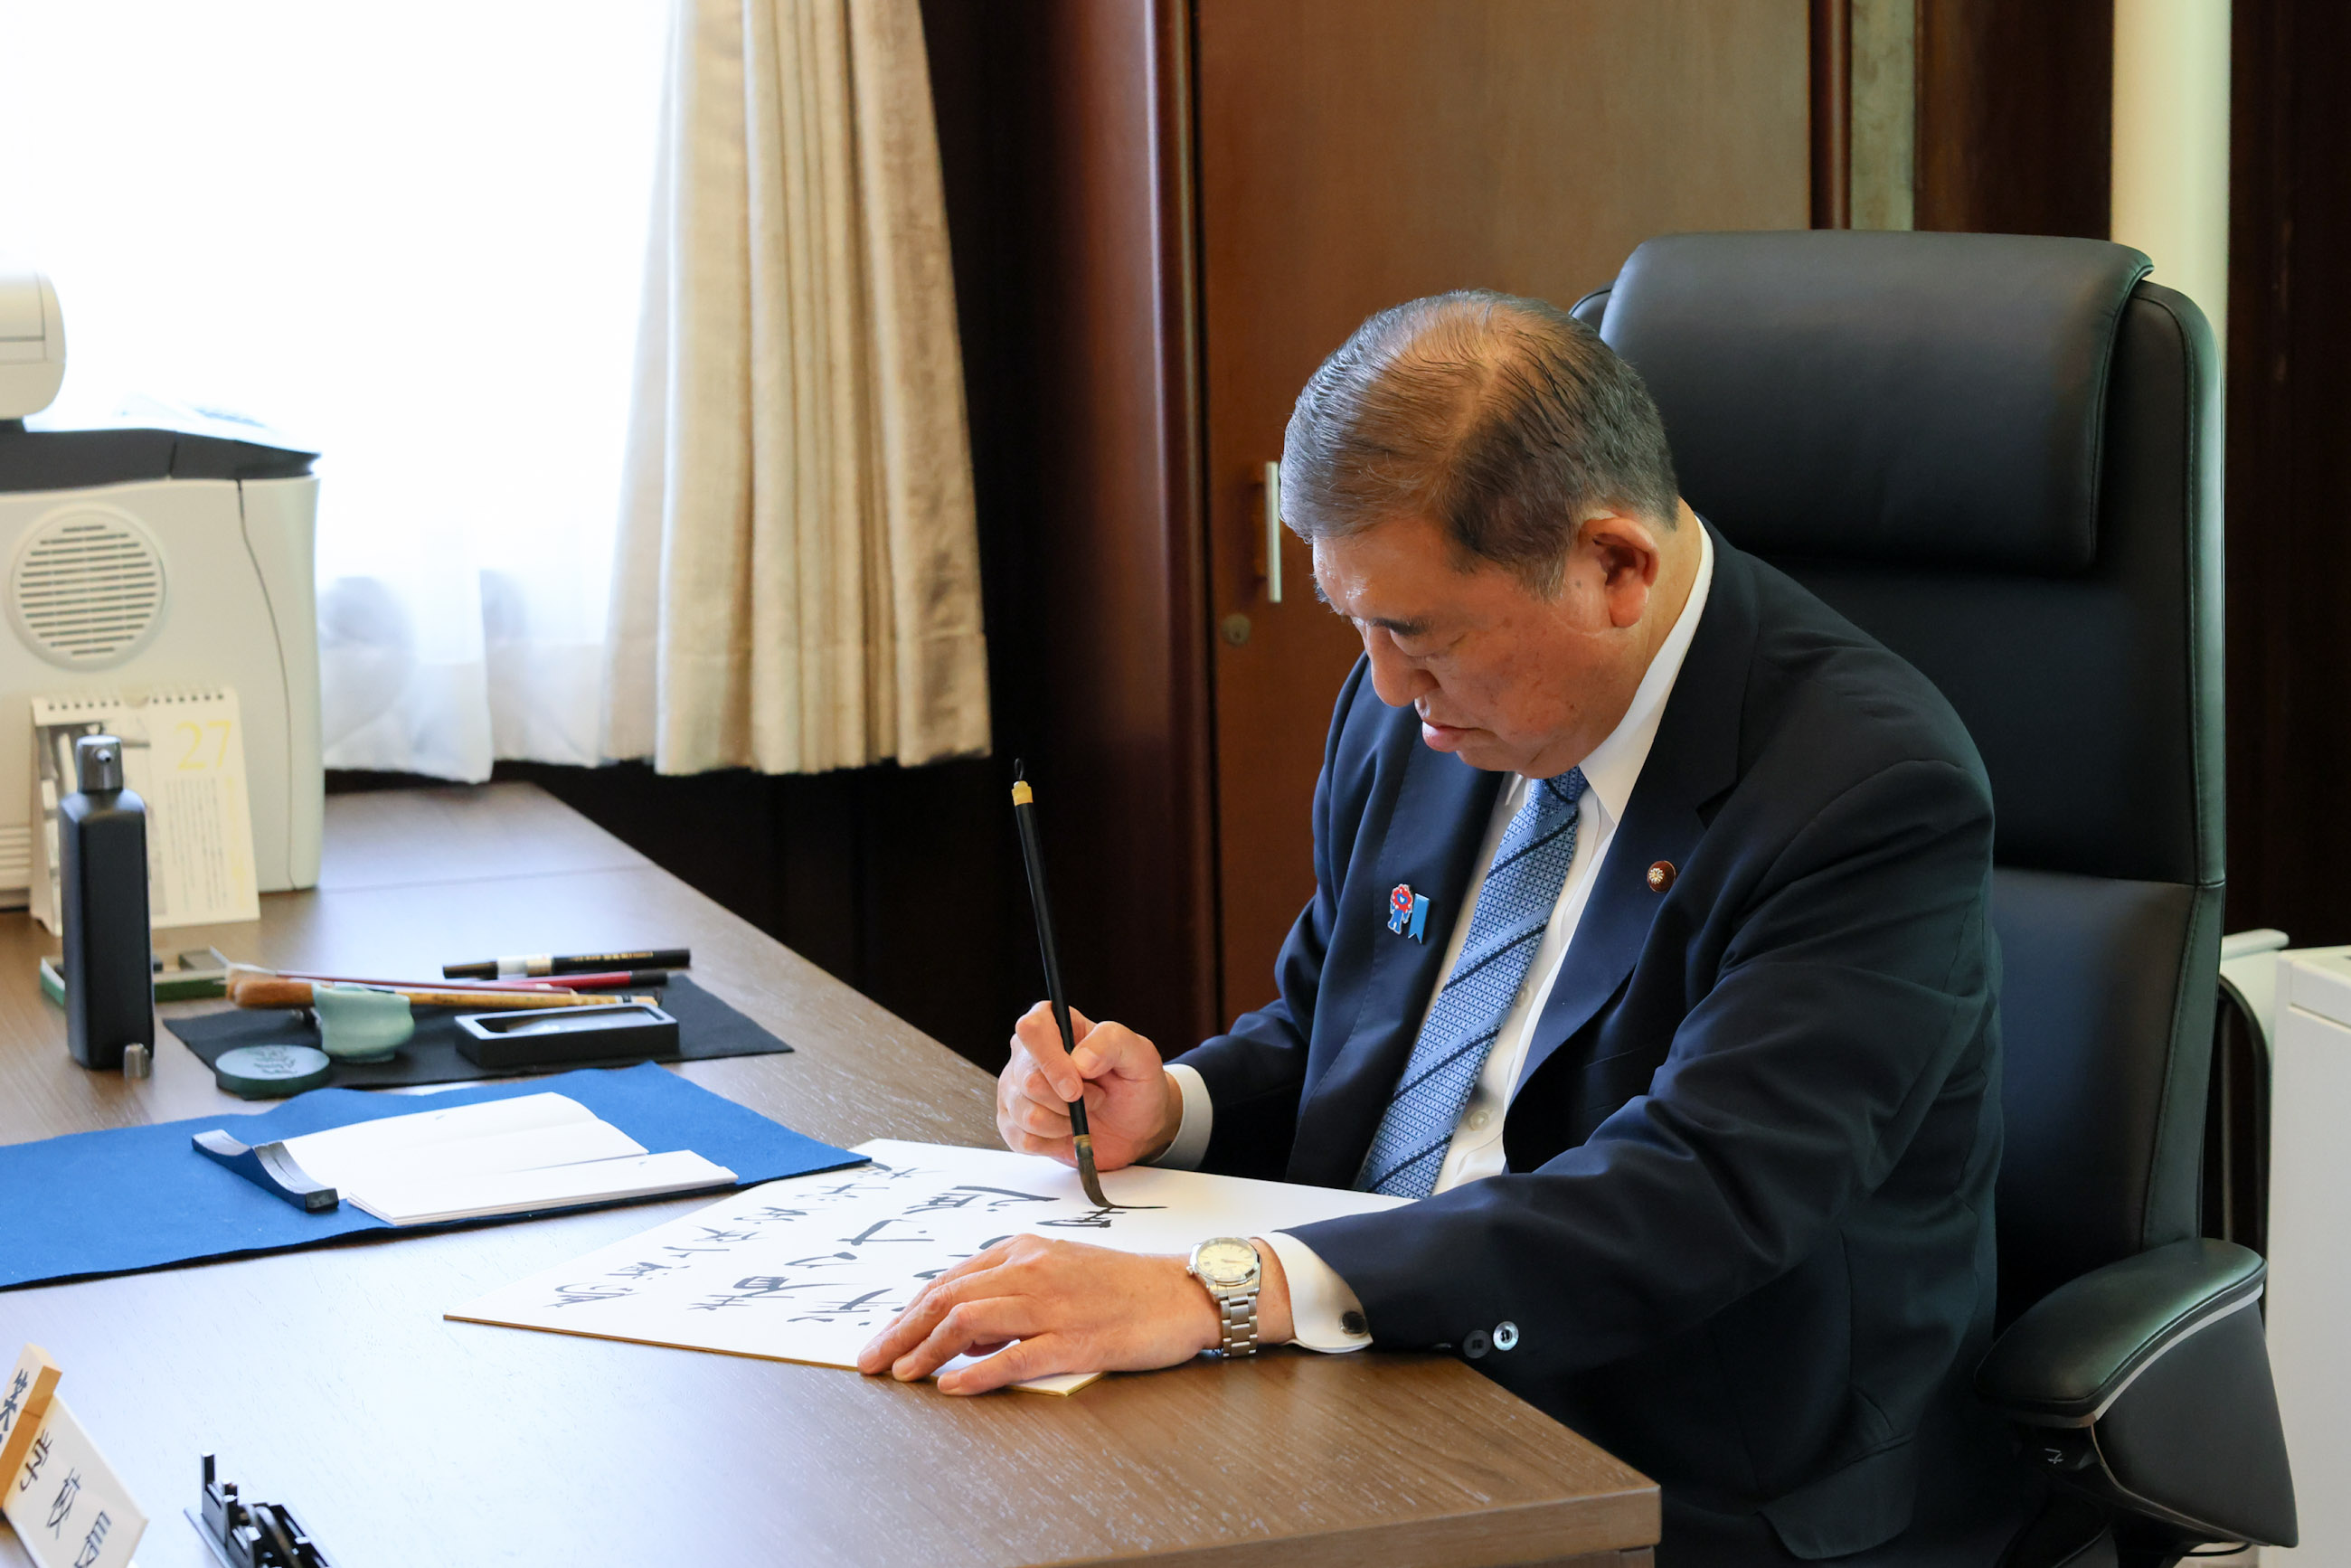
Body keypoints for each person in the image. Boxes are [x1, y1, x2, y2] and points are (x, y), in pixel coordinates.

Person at [860, 291, 2016, 1564]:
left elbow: (1700, 1193)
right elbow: (1338, 1024)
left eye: (1415, 632)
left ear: (1614, 566)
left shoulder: (1869, 790)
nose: (1385, 686)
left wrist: (1220, 1290)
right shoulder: (1422, 704)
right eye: (1357, 624)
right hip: (1373, 1362)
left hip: (1667, 1455)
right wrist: (1173, 1104)